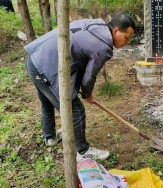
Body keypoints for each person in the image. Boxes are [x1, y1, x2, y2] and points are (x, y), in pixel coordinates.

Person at [24, 14, 135, 161]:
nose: (126, 42)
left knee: (47, 102)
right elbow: (89, 76)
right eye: (126, 37)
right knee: (75, 110)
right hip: (45, 67)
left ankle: (50, 138)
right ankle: (82, 151)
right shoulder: (103, 47)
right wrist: (87, 94)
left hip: (35, 59)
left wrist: (83, 91)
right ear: (115, 31)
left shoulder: (97, 24)